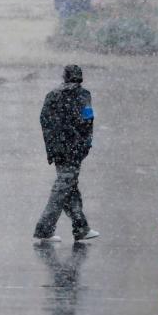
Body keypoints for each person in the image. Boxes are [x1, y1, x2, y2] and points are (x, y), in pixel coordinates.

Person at [34, 64, 100, 243]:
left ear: (64, 77)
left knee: (68, 186)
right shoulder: (83, 95)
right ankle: (44, 228)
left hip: (58, 150)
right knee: (63, 187)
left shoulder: (52, 95)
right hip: (73, 149)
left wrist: (52, 145)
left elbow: (44, 121)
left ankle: (81, 227)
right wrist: (83, 144)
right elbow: (88, 119)